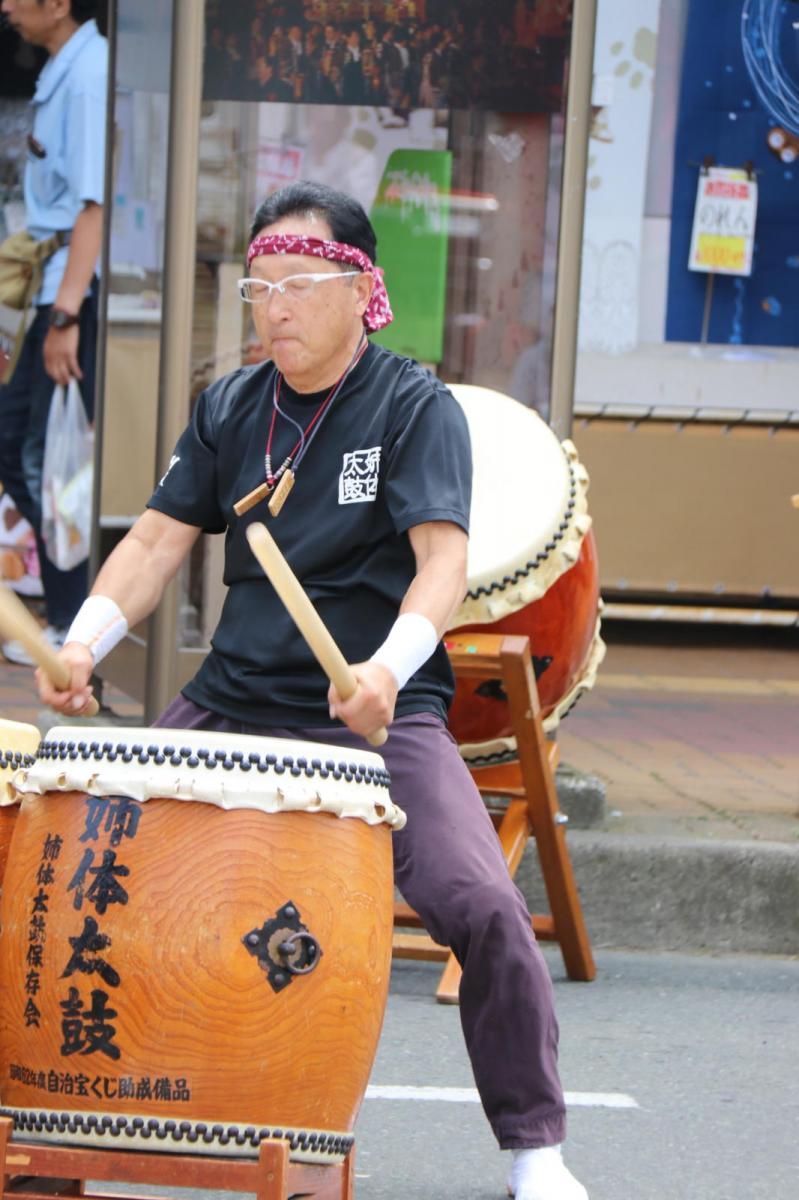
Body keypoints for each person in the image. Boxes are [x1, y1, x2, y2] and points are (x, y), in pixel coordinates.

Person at [39, 181, 589, 1200]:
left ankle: (535, 1147)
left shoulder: (413, 408)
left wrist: (384, 669)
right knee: (92, 868)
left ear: (359, 288)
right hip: (236, 696)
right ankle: (63, 1137)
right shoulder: (229, 406)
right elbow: (156, 543)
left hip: (374, 708)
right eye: (260, 286)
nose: (274, 306)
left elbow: (441, 564)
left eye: (296, 283)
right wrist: (83, 643)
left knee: (480, 905)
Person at [0, 0, 107, 663]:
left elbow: (92, 205)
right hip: (45, 289)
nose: (7, 7)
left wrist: (65, 315)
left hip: (66, 295)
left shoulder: (90, 72)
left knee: (48, 459)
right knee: (23, 445)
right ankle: (66, 604)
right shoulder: (64, 68)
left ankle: (73, 618)